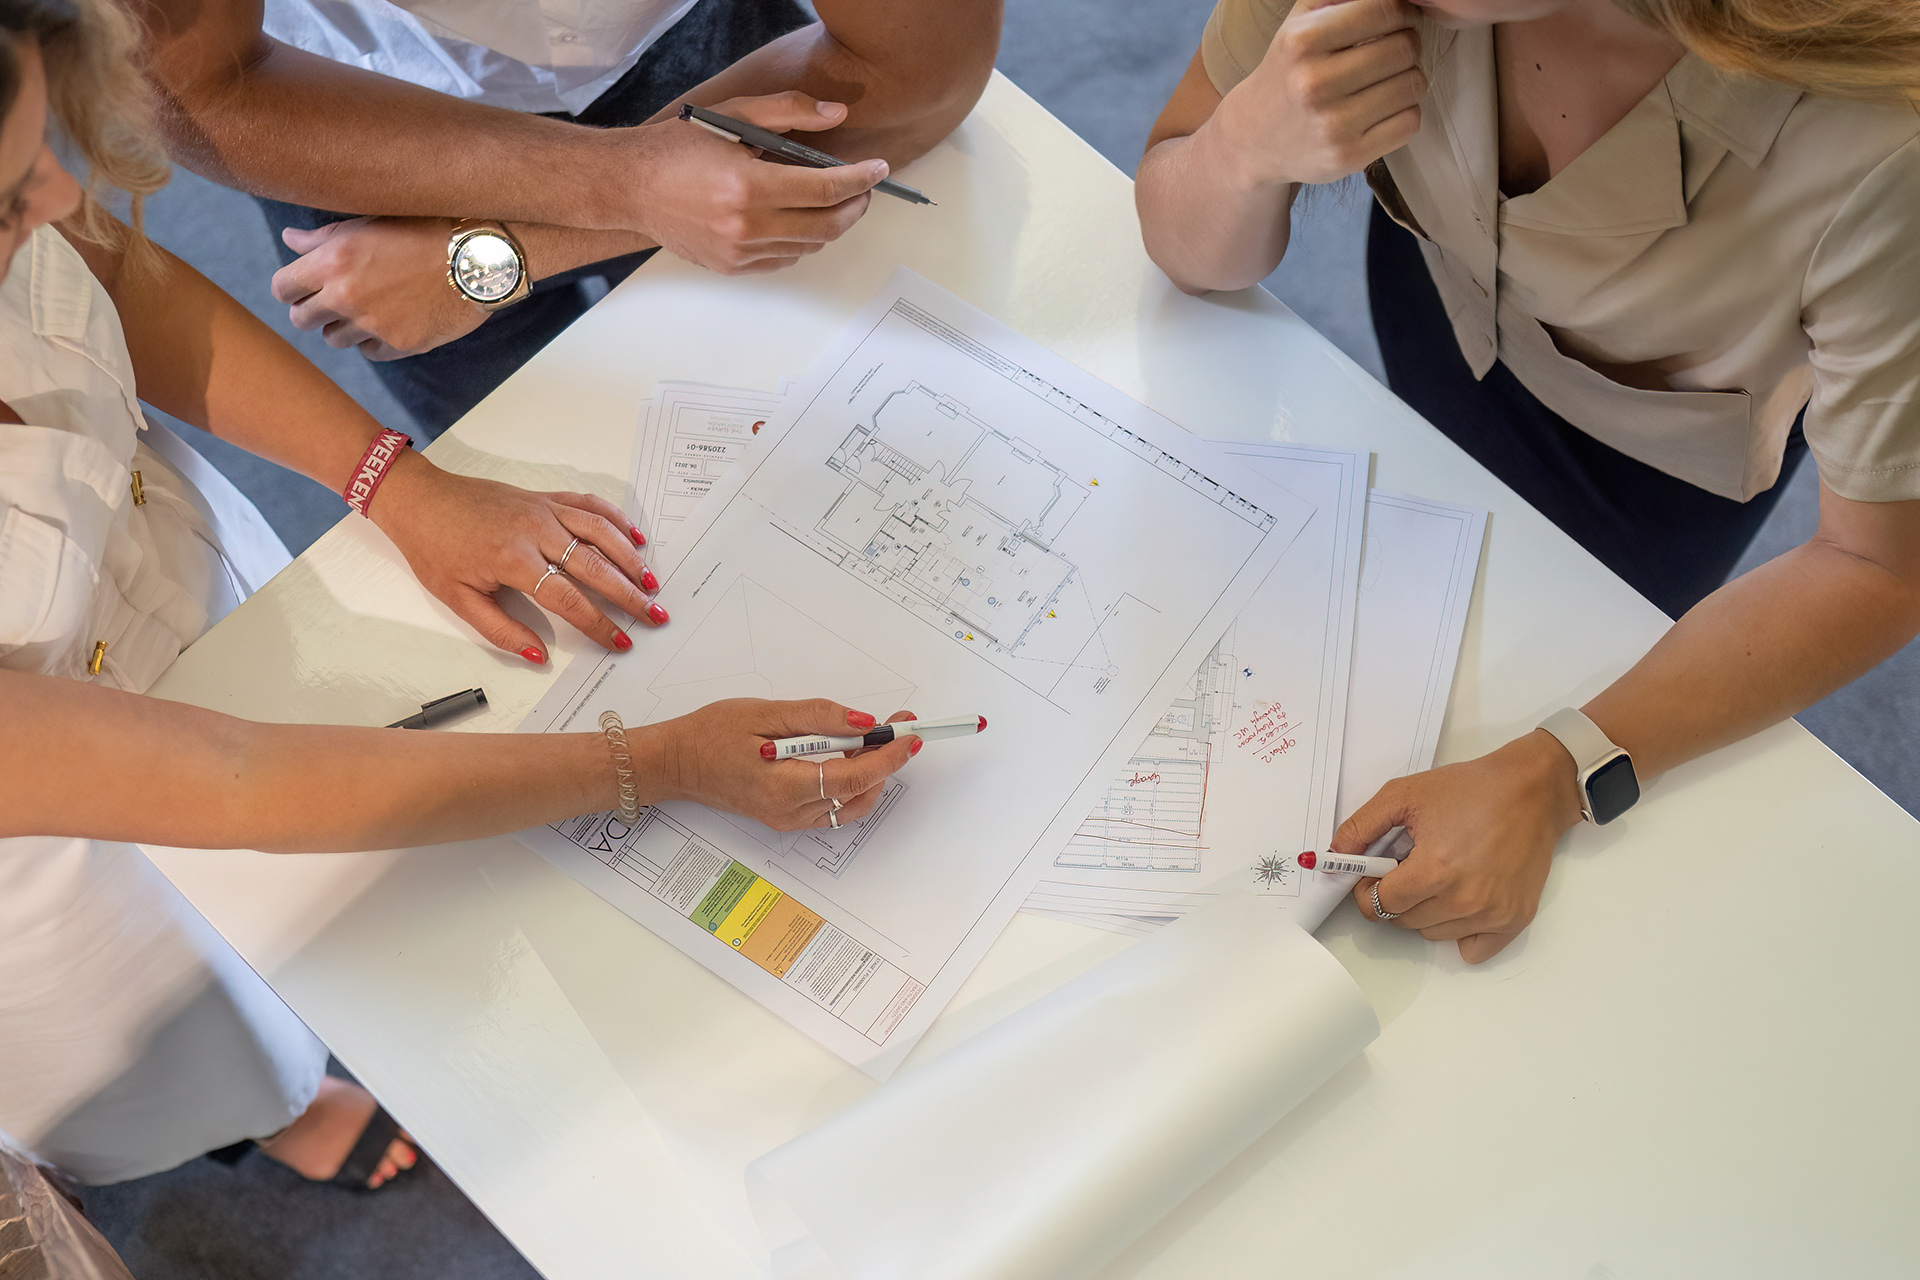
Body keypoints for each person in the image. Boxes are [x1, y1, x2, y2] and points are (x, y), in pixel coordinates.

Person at [0, 0, 918, 1188]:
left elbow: (104, 283)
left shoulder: (39, 224)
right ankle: (273, 1111)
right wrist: (661, 762)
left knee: (360, 909)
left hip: (178, 587)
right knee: (207, 1028)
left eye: (37, 162)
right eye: (10, 198)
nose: (64, 204)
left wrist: (396, 482)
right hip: (55, 887)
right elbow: (239, 778)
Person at [1137, 0, 1920, 960]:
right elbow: (1183, 234)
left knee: (1544, 685)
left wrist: (1560, 772)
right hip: (1436, 311)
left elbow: (1878, 566)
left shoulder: (1887, 138)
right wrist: (1244, 149)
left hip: (1647, 482)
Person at [131, 0, 1002, 434]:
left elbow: (923, 69)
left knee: (804, 420)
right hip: (342, 107)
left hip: (702, 40)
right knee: (538, 465)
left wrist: (493, 253)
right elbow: (192, 89)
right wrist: (634, 190)